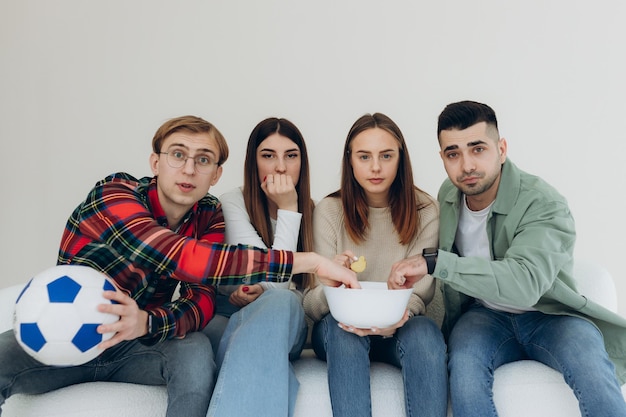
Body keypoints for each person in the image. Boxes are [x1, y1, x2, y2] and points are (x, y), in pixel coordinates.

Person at [0, 115, 358, 417]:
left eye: (203, 160)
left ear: (216, 174)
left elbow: (201, 297)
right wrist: (304, 261)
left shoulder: (208, 214)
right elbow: (176, 255)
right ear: (156, 163)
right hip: (63, 331)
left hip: (135, 341)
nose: (189, 168)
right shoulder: (114, 194)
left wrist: (148, 322)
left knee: (194, 350)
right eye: (178, 155)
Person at [388, 100, 626, 416]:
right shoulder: (448, 195)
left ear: (501, 149)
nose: (467, 165)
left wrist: (435, 263)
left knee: (590, 364)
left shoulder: (542, 202)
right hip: (484, 316)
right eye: (453, 154)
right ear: (443, 158)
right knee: (464, 370)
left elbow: (525, 284)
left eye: (478, 149)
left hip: (549, 314)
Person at [303, 113, 448, 417]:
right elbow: (312, 305)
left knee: (424, 334)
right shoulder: (330, 211)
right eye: (364, 156)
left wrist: (398, 314)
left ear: (400, 159)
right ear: (350, 161)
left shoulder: (427, 211)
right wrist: (331, 285)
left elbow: (420, 294)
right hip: (340, 325)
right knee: (344, 334)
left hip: (401, 324)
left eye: (386, 155)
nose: (376, 167)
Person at [203, 117, 314, 416]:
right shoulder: (231, 202)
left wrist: (290, 208)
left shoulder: (316, 212)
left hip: (285, 322)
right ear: (253, 163)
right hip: (228, 318)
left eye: (291, 156)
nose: (280, 167)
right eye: (268, 156)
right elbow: (274, 274)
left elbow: (278, 287)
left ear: (302, 162)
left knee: (281, 299)